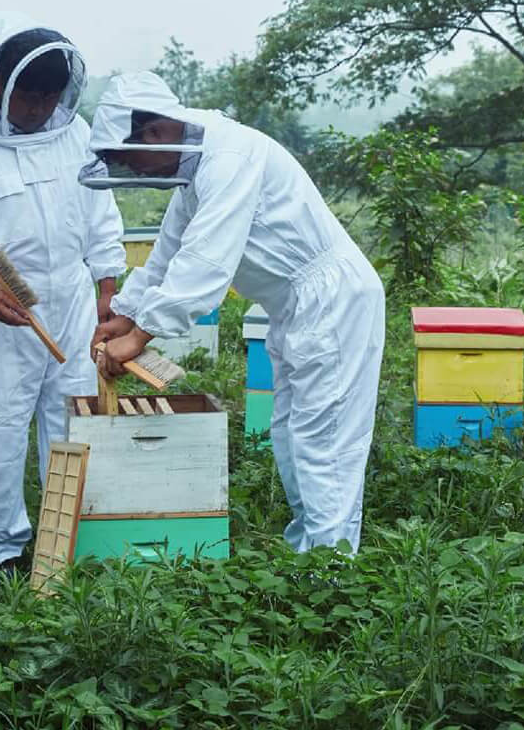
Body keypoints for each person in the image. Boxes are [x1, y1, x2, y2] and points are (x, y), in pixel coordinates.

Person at [81, 72, 385, 555]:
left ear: (156, 133)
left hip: (332, 303)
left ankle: (330, 565)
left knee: (324, 440)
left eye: (131, 158)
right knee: (291, 432)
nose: (134, 171)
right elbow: (169, 254)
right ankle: (310, 550)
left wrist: (140, 336)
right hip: (296, 306)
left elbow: (205, 261)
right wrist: (126, 313)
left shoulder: (229, 157)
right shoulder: (196, 167)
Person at [0, 14, 125, 574]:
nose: (38, 109)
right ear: (0, 83)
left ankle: (70, 542)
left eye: (48, 97)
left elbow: (102, 215)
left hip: (72, 303)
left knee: (73, 423)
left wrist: (108, 287)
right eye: (28, 97)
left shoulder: (75, 135)